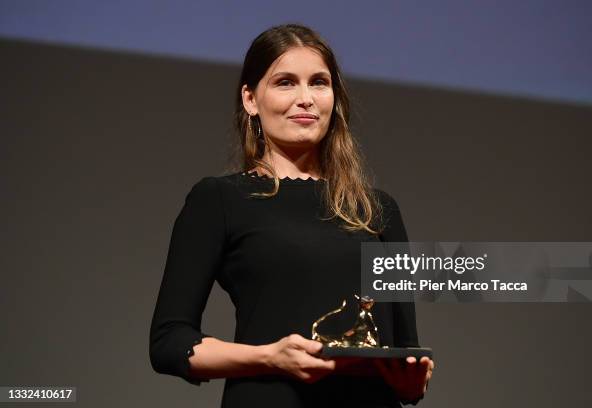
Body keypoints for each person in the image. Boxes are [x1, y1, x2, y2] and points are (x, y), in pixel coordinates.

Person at [149, 23, 434, 407]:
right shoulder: (220, 199)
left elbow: (406, 356)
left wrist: (412, 381)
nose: (306, 99)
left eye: (319, 82)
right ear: (250, 99)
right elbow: (169, 342)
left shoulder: (378, 209)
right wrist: (269, 357)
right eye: (285, 82)